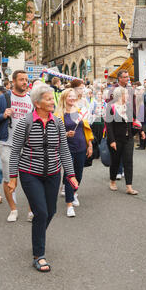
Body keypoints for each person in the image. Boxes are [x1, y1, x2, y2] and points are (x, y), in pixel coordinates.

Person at [8, 84, 78, 272]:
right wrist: (13, 177)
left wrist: (70, 175)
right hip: (30, 173)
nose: (52, 102)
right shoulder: (25, 122)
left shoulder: (58, 122)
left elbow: (63, 150)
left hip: (54, 173)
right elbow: (15, 152)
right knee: (41, 212)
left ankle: (37, 237)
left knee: (52, 211)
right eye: (48, 99)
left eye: (52, 99)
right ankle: (39, 255)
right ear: (37, 103)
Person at [0, 70, 33, 222]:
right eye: (21, 80)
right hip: (7, 144)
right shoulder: (4, 98)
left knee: (31, 178)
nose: (24, 82)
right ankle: (13, 209)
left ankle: (32, 210)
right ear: (13, 81)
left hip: (27, 146)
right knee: (8, 178)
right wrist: (3, 115)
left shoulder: (31, 100)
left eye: (26, 80)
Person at [55, 87, 93, 217]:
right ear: (64, 98)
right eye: (69, 96)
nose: (72, 98)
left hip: (81, 146)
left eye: (73, 96)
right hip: (66, 148)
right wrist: (65, 134)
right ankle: (69, 204)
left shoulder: (80, 111)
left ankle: (74, 192)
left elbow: (86, 129)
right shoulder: (58, 114)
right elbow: (54, 133)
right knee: (70, 174)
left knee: (79, 174)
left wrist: (90, 144)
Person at [105, 86, 145, 195]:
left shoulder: (128, 106)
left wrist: (141, 130)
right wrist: (112, 141)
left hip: (128, 138)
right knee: (115, 161)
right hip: (116, 139)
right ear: (120, 95)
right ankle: (112, 181)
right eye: (126, 94)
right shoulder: (111, 107)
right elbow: (109, 126)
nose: (128, 96)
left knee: (128, 162)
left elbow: (134, 120)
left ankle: (129, 187)